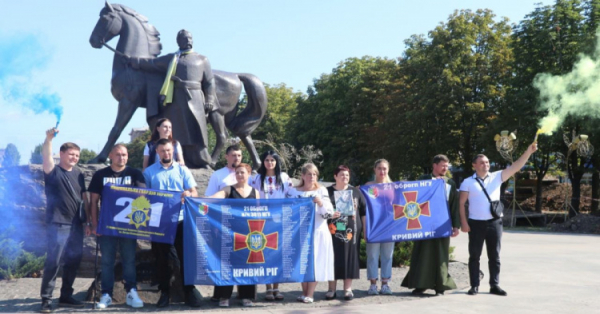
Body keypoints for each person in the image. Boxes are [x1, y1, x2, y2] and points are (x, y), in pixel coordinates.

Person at [459, 143, 538, 296]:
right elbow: (461, 204)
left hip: (495, 223)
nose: (486, 164)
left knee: (494, 256)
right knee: (474, 255)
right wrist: (464, 222)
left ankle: (494, 285)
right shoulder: (467, 182)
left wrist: (528, 151)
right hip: (475, 223)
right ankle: (474, 285)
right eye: (482, 162)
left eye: (487, 162)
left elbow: (516, 166)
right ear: (474, 165)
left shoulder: (497, 176)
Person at [131, 29, 216, 168]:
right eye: (184, 38)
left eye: (190, 38)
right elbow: (152, 63)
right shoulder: (172, 58)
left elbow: (209, 82)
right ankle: (181, 160)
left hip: (195, 97)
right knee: (179, 132)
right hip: (176, 99)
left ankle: (202, 161)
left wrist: (210, 99)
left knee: (198, 132)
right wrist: (135, 61)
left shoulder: (202, 59)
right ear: (178, 41)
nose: (188, 40)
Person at [143, 138, 201, 308]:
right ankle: (164, 293)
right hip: (159, 221)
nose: (166, 153)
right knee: (161, 259)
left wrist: (189, 195)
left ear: (173, 151)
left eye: (169, 150)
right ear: (157, 153)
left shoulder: (183, 170)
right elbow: (144, 197)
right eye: (163, 151)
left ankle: (189, 291)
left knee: (185, 257)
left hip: (181, 220)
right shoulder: (149, 173)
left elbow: (194, 192)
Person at [88, 144, 146, 309]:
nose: (122, 158)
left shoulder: (134, 174)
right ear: (111, 156)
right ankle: (106, 294)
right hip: (107, 227)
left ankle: (131, 292)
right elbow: (93, 202)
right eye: (119, 155)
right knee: (107, 261)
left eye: (125, 155)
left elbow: (143, 198)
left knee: (129, 260)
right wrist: (94, 223)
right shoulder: (101, 175)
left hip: (128, 226)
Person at [39, 127, 88, 313]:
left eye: (77, 155)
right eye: (71, 154)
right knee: (53, 262)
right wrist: (48, 139)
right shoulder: (52, 171)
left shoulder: (79, 174)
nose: (74, 158)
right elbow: (46, 156)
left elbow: (84, 198)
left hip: (76, 225)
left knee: (73, 261)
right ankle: (46, 300)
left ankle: (66, 295)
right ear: (61, 154)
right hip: (58, 223)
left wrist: (89, 221)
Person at [401, 154, 461, 296]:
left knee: (441, 255)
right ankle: (420, 284)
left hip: (442, 224)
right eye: (442, 165)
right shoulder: (423, 180)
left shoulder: (450, 183)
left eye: (447, 166)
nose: (445, 168)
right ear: (434, 165)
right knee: (422, 253)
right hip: (424, 223)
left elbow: (454, 206)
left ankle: (440, 286)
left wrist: (456, 225)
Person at [207, 163, 259, 307]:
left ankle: (246, 296)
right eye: (237, 172)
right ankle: (224, 296)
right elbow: (215, 197)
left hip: (249, 234)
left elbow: (260, 212)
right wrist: (197, 200)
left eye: (242, 172)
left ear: (248, 174)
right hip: (230, 233)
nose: (240, 175)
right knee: (227, 265)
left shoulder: (255, 192)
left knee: (247, 265)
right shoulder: (228, 189)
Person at [286, 163, 334, 303]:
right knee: (303, 263)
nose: (312, 177)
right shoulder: (294, 191)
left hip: (317, 233)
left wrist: (320, 204)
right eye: (309, 174)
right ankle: (304, 292)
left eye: (314, 174)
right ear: (302, 176)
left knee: (315, 263)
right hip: (300, 233)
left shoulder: (322, 191)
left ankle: (310, 294)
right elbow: (288, 210)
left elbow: (328, 213)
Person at [249, 151, 293, 301]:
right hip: (262, 221)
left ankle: (277, 288)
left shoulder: (284, 178)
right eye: (267, 160)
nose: (269, 163)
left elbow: (292, 195)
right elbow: (248, 196)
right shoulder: (256, 179)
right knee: (265, 254)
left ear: (277, 162)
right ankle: (268, 288)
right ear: (263, 162)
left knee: (278, 254)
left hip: (279, 220)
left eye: (272, 160)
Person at [205, 144, 243, 302]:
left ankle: (245, 293)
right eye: (233, 155)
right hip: (223, 223)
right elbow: (210, 198)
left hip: (242, 224)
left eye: (239, 155)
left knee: (243, 259)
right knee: (223, 259)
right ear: (226, 157)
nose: (236, 158)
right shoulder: (218, 175)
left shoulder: (247, 174)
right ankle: (221, 294)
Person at [325, 165, 366, 301]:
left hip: (351, 232)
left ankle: (347, 289)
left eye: (347, 175)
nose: (345, 177)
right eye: (342, 175)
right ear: (335, 176)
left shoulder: (355, 192)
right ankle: (332, 289)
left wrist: (365, 229)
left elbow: (363, 212)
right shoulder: (326, 192)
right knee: (333, 258)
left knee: (350, 258)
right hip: (332, 231)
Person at [364, 159, 395, 295]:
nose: (382, 171)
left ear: (388, 170)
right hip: (374, 226)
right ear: (374, 170)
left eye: (384, 168)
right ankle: (372, 284)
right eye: (379, 168)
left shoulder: (394, 187)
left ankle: (385, 284)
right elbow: (364, 206)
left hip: (389, 226)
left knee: (387, 255)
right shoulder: (369, 186)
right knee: (372, 255)